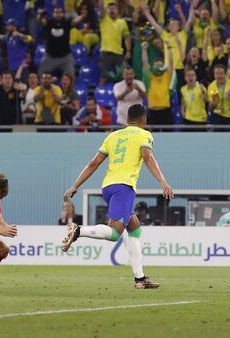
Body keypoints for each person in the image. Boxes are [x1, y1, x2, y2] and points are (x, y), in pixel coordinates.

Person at [62, 104, 174, 289]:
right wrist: (163, 181)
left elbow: (93, 163)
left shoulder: (112, 136)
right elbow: (147, 157)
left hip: (108, 187)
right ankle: (78, 231)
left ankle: (140, 279)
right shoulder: (144, 135)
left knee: (135, 227)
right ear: (143, 120)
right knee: (114, 233)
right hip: (124, 187)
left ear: (127, 119)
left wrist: (75, 185)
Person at [142, 40, 174, 128]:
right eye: (156, 65)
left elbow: (171, 63)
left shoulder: (167, 75)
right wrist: (144, 50)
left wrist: (169, 48)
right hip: (152, 112)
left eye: (160, 65)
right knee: (151, 139)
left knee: (168, 138)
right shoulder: (150, 76)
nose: (158, 67)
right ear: (153, 66)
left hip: (165, 112)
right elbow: (145, 64)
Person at [37, 7, 77, 78]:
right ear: (53, 14)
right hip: (50, 57)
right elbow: (39, 21)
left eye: (60, 12)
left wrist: (83, 16)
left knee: (71, 77)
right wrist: (40, 14)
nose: (58, 14)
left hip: (65, 58)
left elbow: (76, 21)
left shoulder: (67, 23)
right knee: (40, 75)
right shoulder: (49, 23)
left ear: (63, 14)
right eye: (56, 12)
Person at [98, 0, 130, 84]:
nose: (112, 10)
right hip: (106, 54)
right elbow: (101, 8)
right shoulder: (104, 19)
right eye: (109, 8)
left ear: (118, 10)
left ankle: (121, 96)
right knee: (104, 78)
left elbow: (127, 37)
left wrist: (129, 50)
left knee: (120, 78)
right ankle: (99, 95)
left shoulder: (122, 22)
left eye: (114, 8)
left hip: (118, 54)